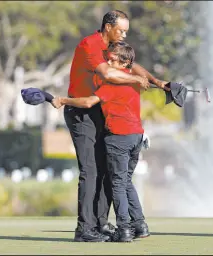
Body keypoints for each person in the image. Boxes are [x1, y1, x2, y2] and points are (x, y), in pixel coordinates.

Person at [63, 10, 169, 242]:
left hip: (99, 110)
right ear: (107, 27)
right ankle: (84, 229)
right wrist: (135, 80)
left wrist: (157, 82)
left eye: (126, 31)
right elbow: (108, 73)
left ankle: (100, 223)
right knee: (90, 170)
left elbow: (130, 66)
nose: (123, 34)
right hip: (81, 111)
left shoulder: (111, 49)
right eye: (120, 30)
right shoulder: (90, 45)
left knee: (108, 171)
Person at [53, 42, 152, 242]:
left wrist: (63, 101)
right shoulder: (135, 82)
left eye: (113, 59)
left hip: (119, 138)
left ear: (125, 63)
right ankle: (140, 225)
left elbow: (88, 102)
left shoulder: (112, 84)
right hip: (136, 137)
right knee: (125, 182)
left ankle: (124, 229)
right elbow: (139, 74)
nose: (107, 61)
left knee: (116, 184)